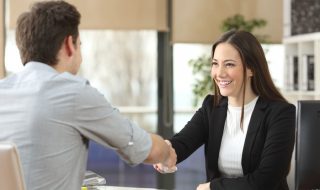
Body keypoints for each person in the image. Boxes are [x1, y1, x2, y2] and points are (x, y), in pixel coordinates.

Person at [0, 1, 176, 190]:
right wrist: (167, 153)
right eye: (80, 44)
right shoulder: (73, 93)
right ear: (69, 44)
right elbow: (144, 149)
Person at [154, 30, 296, 190]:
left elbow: (265, 180)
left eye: (229, 64)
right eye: (215, 63)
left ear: (251, 69)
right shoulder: (212, 107)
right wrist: (165, 151)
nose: (219, 73)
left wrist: (212, 187)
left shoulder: (280, 113)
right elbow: (183, 142)